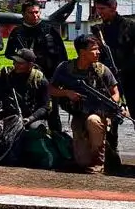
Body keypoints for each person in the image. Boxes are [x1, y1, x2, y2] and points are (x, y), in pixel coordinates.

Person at [50, 34, 124, 174]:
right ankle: (107, 151)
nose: (98, 52)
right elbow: (51, 89)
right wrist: (67, 93)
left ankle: (98, 163)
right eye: (94, 49)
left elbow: (115, 92)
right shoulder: (66, 68)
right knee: (82, 162)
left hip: (97, 114)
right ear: (83, 52)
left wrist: (110, 104)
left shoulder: (101, 70)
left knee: (93, 121)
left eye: (98, 49)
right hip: (78, 114)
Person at [4, 0, 68, 131]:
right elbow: (8, 53)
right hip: (24, 77)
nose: (35, 15)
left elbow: (62, 56)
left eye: (37, 12)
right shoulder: (17, 32)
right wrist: (22, 59)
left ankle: (56, 142)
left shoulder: (49, 30)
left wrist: (60, 78)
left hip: (48, 77)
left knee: (52, 112)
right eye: (31, 13)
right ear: (23, 14)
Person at [92, 0, 135, 169]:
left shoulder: (130, 27)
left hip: (131, 78)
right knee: (110, 116)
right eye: (97, 9)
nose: (99, 12)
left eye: (103, 9)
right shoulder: (98, 29)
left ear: (114, 7)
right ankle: (111, 155)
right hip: (108, 80)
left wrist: (124, 68)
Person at [0, 48, 50, 130]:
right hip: (10, 115)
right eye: (15, 61)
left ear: (30, 65)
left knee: (34, 129)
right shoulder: (7, 76)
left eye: (20, 63)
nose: (15, 64)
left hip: (31, 117)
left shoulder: (40, 80)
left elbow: (45, 107)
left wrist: (30, 119)